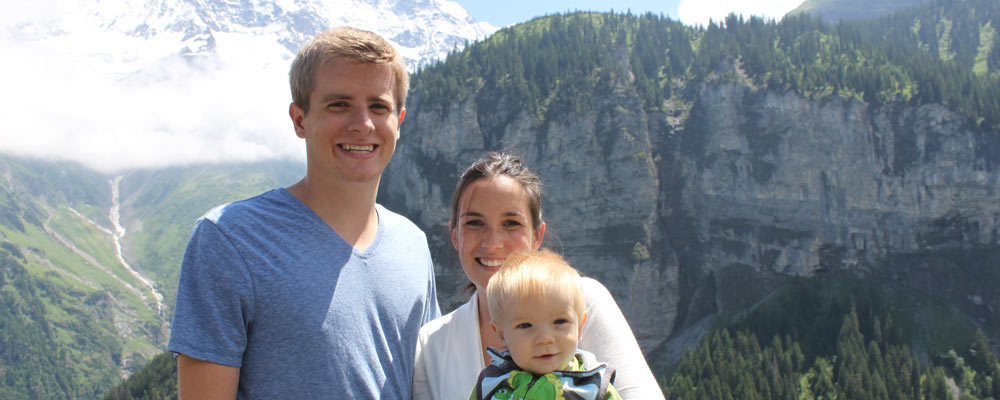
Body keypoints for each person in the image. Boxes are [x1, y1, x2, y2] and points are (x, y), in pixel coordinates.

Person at [167, 26, 440, 399]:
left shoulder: (412, 244)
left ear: (399, 121)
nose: (363, 124)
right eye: (339, 105)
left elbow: (427, 384)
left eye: (378, 107)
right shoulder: (229, 238)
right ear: (299, 120)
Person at [412, 152, 664, 400]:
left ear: (537, 236)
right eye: (475, 223)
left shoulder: (584, 299)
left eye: (511, 223)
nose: (493, 242)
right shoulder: (431, 344)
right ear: (455, 235)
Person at [469, 249, 622, 400]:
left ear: (580, 327)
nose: (545, 338)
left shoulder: (595, 388)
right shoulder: (490, 384)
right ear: (502, 334)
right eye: (525, 325)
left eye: (560, 322)